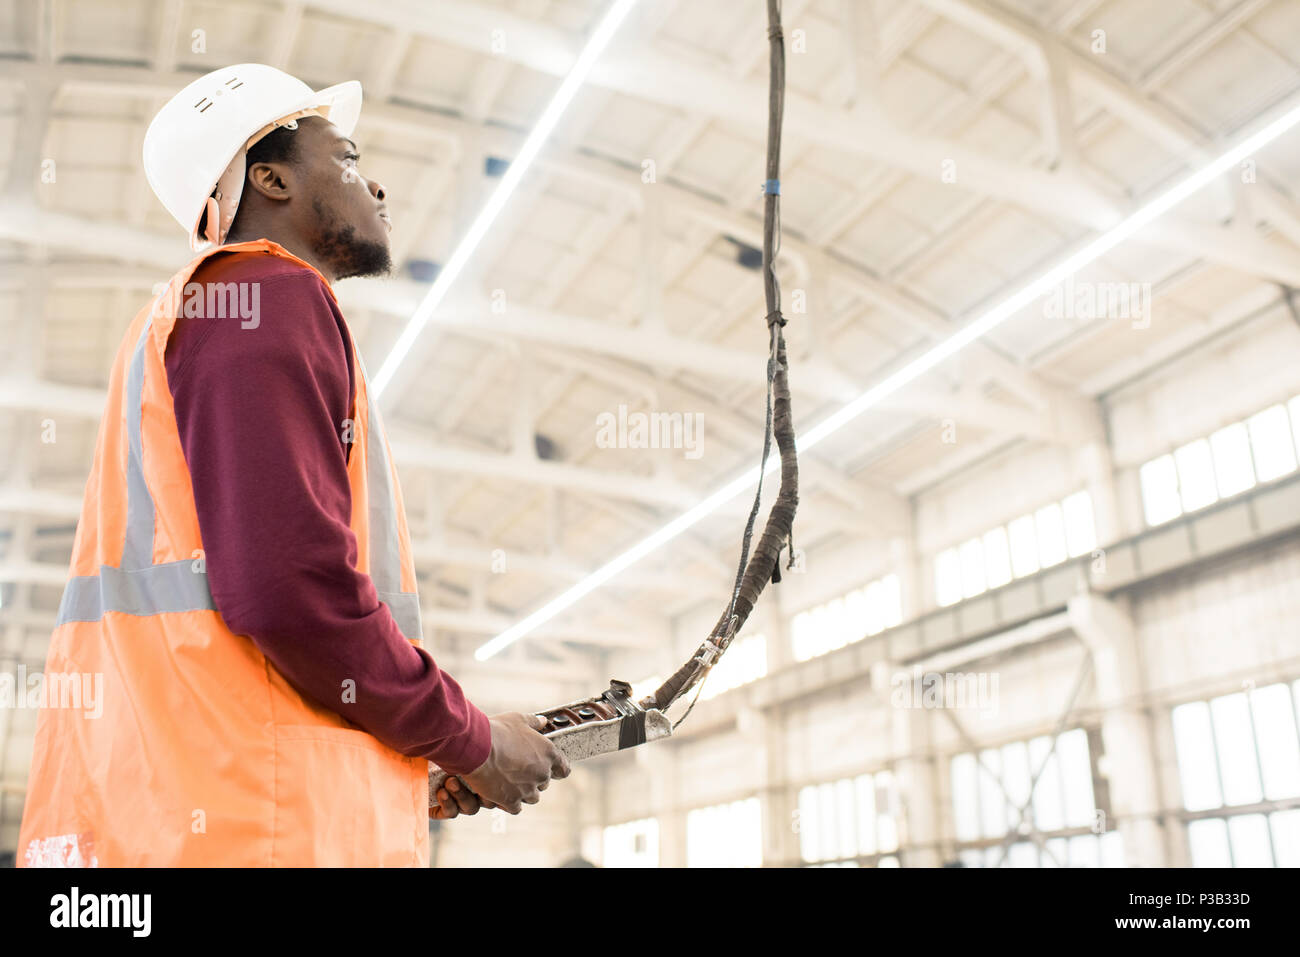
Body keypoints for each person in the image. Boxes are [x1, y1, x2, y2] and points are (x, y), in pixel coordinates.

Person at [17, 63, 567, 867]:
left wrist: (402, 754)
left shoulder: (184, 323)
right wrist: (472, 737)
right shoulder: (265, 295)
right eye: (344, 157)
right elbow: (289, 591)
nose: (373, 184)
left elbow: (240, 639)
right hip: (257, 832)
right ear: (267, 176)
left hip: (200, 815)